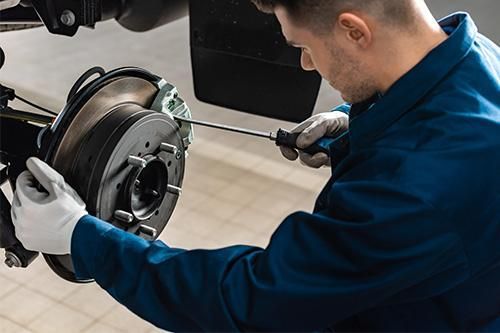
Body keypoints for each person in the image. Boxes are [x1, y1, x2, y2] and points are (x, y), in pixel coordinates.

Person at [11, 0, 500, 331]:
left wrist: (80, 237)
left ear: (354, 30)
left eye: (304, 46)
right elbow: (436, 134)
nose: (308, 65)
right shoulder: (478, 59)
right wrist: (356, 125)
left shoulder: (419, 192)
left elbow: (254, 301)